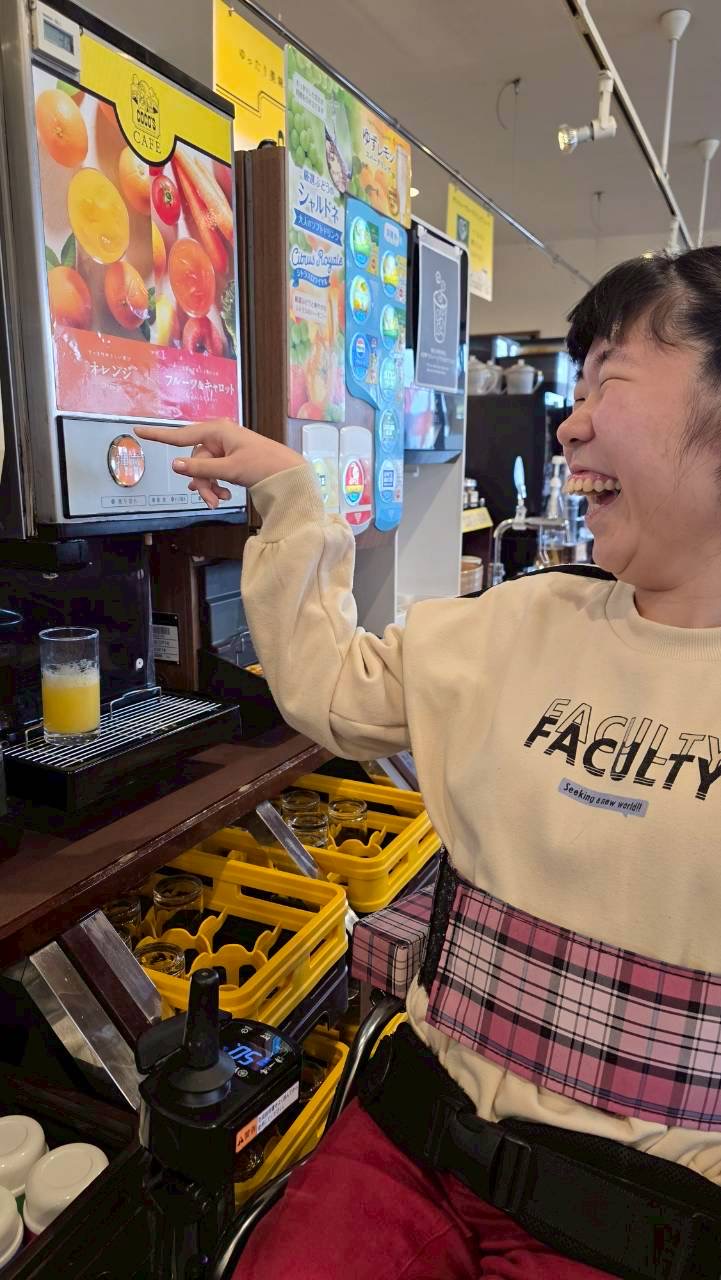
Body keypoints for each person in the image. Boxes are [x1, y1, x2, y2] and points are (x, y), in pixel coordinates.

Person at [136, 247, 721, 1280]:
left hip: (643, 1214)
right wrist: (292, 495)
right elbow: (333, 689)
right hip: (416, 1138)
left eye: (611, 382)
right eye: (576, 388)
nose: (570, 423)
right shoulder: (518, 623)